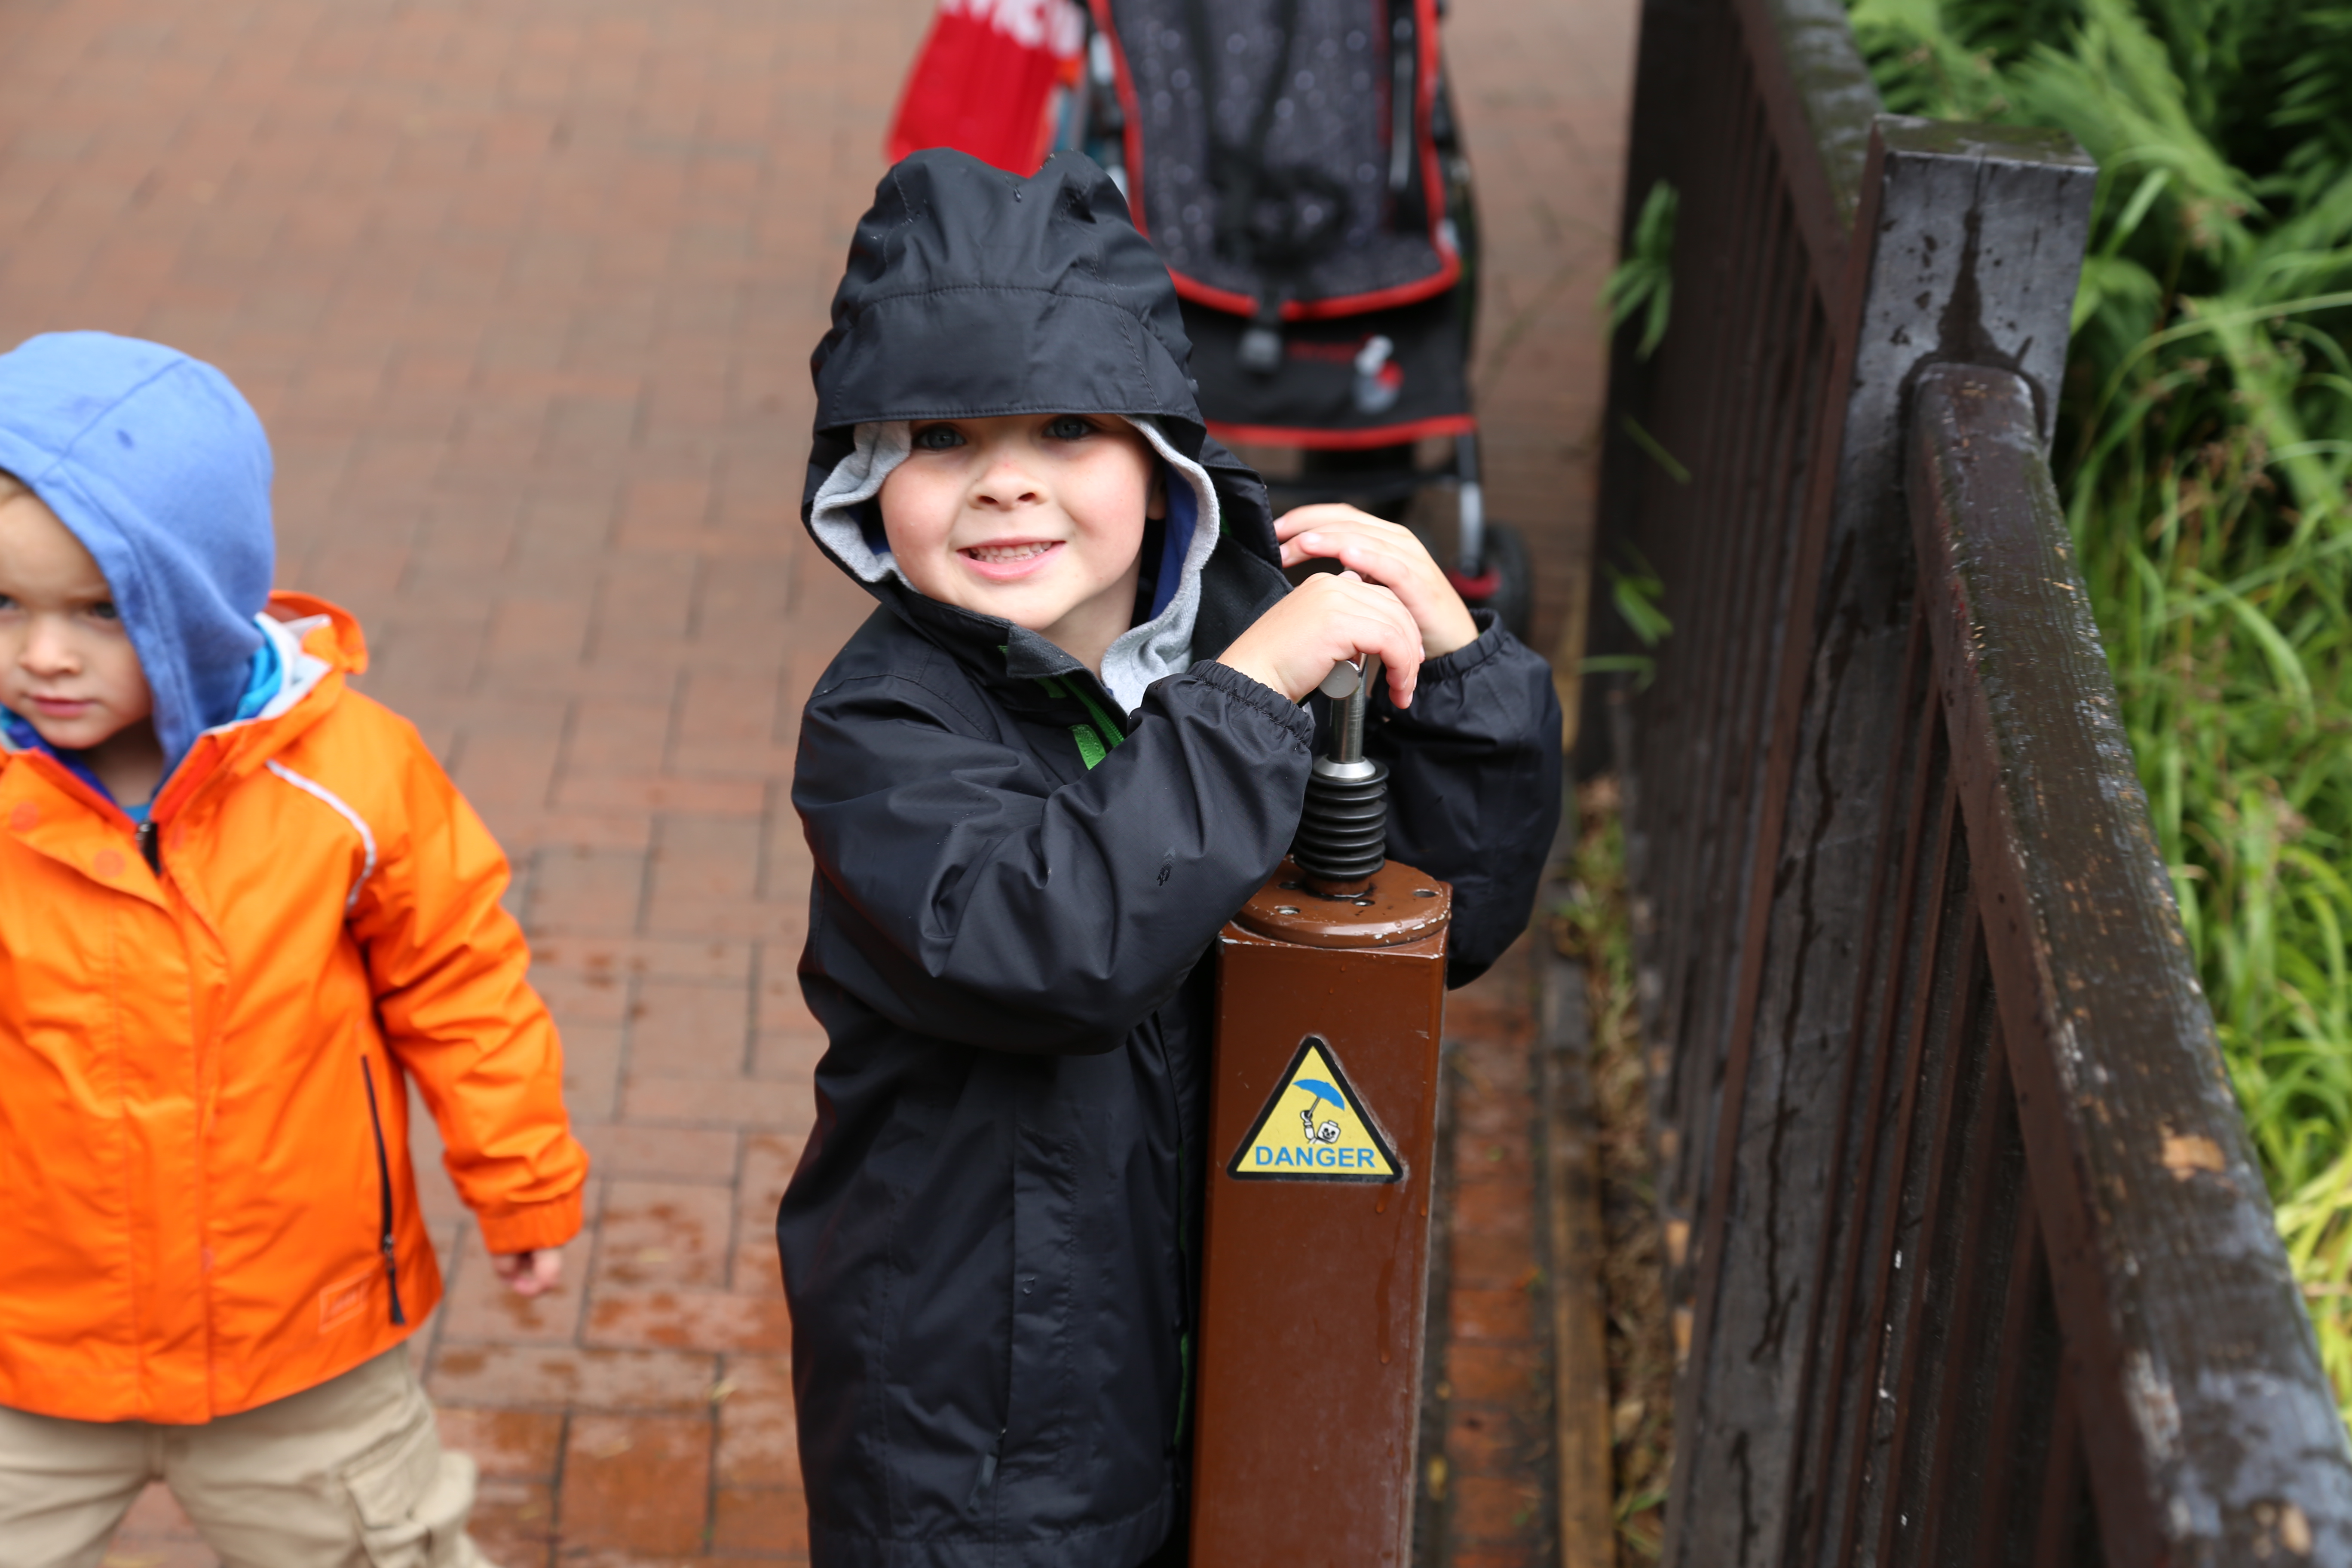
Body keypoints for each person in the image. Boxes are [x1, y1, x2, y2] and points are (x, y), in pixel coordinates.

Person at [778, 148, 1562, 1568]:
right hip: (984, 1437)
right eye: (943, 441)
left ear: (1161, 457)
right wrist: (1248, 700)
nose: (1005, 489)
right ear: (868, 477)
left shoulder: (1241, 641)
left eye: (1068, 428)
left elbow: (1447, 917)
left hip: (1236, 1315)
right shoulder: (882, 723)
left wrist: (1459, 678)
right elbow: (1046, 943)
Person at [0, 331, 589, 1567]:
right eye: (4, 605)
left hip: (301, 1351)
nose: (43, 655)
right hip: (21, 1346)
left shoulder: (348, 775)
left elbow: (459, 977)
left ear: (201, 599)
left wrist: (520, 1175)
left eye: (101, 612)